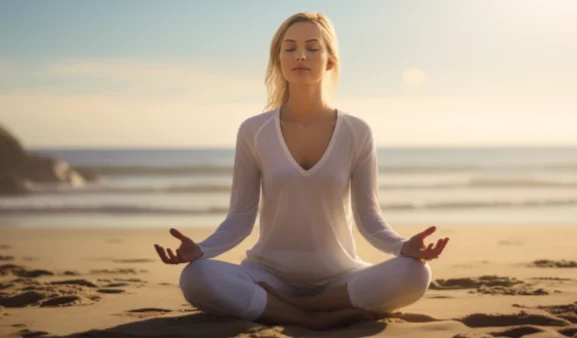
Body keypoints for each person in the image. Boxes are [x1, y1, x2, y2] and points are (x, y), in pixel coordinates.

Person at [154, 11, 449, 330]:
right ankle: (310, 318)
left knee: (416, 273)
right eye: (289, 48)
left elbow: (368, 217)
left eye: (312, 47)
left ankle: (302, 307)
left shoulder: (357, 131)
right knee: (196, 276)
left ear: (330, 61)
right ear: (278, 59)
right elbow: (240, 218)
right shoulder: (254, 130)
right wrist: (202, 249)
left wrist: (401, 245)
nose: (300, 56)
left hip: (341, 276)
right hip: (267, 275)